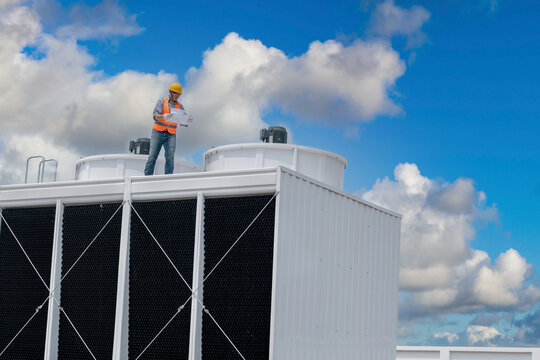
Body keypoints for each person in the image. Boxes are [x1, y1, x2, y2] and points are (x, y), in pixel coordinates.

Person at [144, 82, 187, 175]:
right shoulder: (162, 101)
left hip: (171, 134)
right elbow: (155, 116)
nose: (177, 96)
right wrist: (164, 116)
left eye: (178, 94)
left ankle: (168, 178)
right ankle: (147, 177)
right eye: (175, 93)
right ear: (170, 92)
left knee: (170, 157)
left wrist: (187, 121)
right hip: (158, 132)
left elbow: (183, 122)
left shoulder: (180, 106)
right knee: (152, 156)